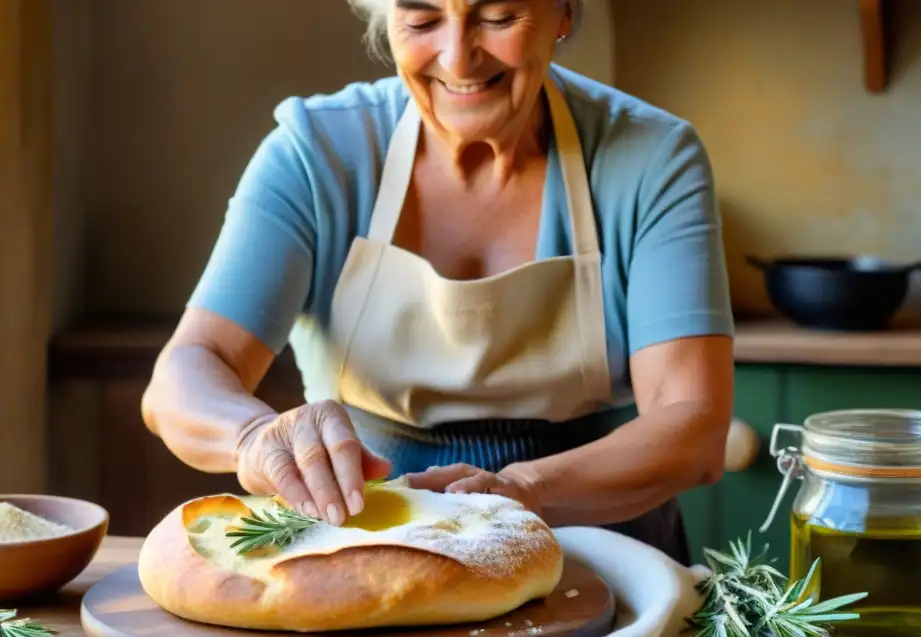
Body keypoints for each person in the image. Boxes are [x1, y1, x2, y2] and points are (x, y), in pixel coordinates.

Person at [141, 0, 735, 565]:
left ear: (564, 12)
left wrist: (523, 489)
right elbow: (190, 368)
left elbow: (693, 424)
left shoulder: (652, 159)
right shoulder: (316, 155)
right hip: (367, 544)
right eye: (423, 20)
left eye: (498, 17)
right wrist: (252, 436)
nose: (457, 58)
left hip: (604, 551)